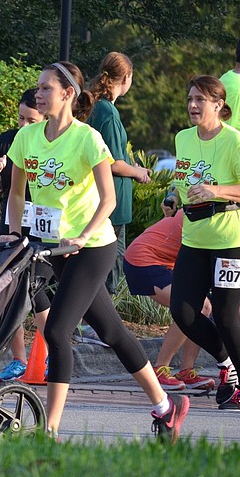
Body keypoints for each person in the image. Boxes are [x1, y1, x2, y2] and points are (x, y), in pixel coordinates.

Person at [2, 61, 189, 441]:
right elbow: (17, 195)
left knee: (57, 330)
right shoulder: (27, 138)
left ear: (68, 94)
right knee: (112, 330)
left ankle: (49, 430)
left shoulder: (87, 138)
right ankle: (166, 407)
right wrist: (13, 234)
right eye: (37, 88)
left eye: (46, 89)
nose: (38, 94)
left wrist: (83, 236)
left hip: (92, 246)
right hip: (47, 246)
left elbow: (107, 199)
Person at [168, 75, 240, 412]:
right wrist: (172, 196)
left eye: (200, 100)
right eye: (190, 98)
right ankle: (227, 363)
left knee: (225, 315)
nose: (193, 105)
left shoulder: (235, 141)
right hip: (195, 238)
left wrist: (217, 191)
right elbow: (183, 179)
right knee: (182, 310)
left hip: (231, 239)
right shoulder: (183, 138)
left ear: (218, 105)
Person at [126, 202, 240, 391]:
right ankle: (160, 368)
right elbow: (219, 286)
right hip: (143, 260)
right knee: (198, 307)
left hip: (166, 262)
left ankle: (186, 370)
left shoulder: (216, 216)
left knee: (200, 307)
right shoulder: (210, 220)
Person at [0, 88, 51, 381]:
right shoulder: (8, 140)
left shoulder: (53, 143)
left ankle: (52, 352)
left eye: (31, 120)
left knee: (36, 289)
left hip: (44, 223)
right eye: (20, 118)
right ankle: (19, 359)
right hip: (11, 223)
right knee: (9, 286)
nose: (23, 126)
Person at [86, 52, 151, 295]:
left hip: (93, 197)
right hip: (112, 200)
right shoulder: (109, 113)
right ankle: (101, 327)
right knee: (110, 267)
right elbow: (113, 162)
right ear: (126, 78)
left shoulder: (94, 105)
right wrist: (137, 172)